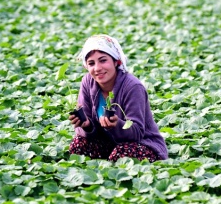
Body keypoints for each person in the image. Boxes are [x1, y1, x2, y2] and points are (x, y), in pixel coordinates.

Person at [68, 34, 168, 162]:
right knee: (78, 144)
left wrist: (116, 125)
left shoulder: (133, 87)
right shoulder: (87, 82)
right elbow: (85, 132)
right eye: (91, 63)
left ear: (116, 61)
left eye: (103, 60)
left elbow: (136, 133)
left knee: (121, 153)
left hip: (142, 145)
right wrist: (86, 126)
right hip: (108, 145)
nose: (97, 68)